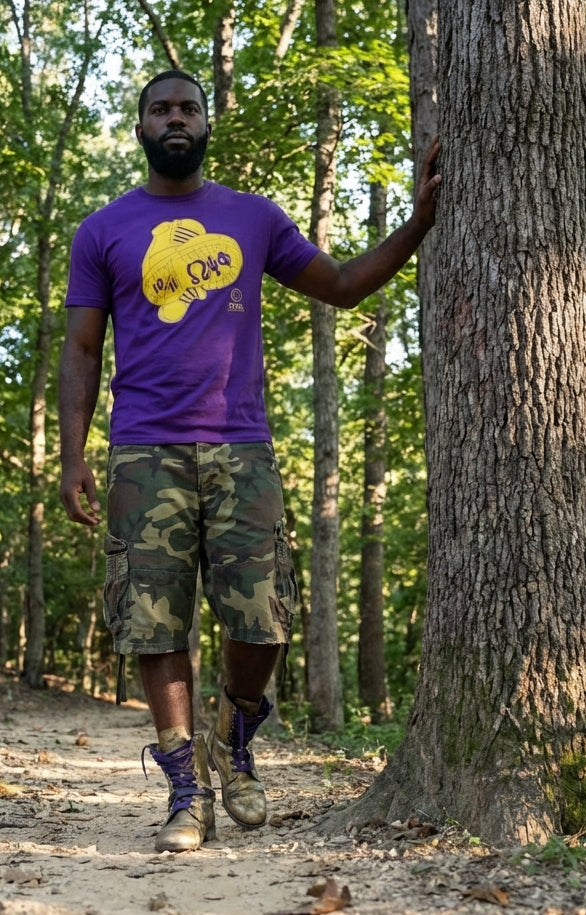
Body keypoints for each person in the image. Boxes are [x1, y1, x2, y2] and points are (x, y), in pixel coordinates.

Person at [58, 69, 441, 853]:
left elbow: (342, 286)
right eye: (160, 109)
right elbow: (83, 350)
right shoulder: (102, 231)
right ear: (139, 128)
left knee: (265, 620)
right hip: (143, 449)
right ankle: (185, 789)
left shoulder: (252, 217)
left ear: (206, 124)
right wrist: (72, 458)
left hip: (242, 445)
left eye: (188, 108)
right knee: (152, 625)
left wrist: (419, 223)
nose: (175, 119)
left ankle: (234, 738)